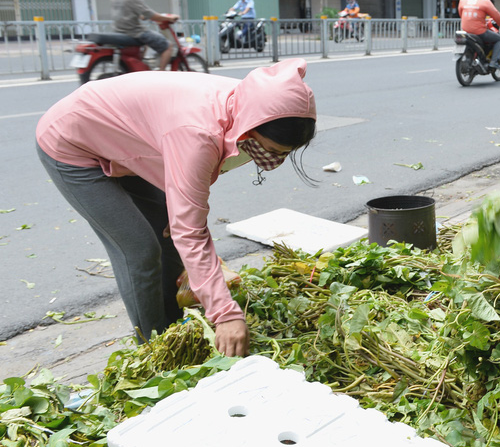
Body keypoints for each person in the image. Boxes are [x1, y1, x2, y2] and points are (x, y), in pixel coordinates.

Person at [35, 59, 317, 358]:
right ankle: (155, 351)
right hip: (72, 143)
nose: (276, 160)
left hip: (133, 142)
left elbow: (192, 180)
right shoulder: (199, 132)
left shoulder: (254, 101)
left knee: (167, 238)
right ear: (249, 130)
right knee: (140, 250)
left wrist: (179, 210)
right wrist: (226, 314)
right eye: (273, 151)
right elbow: (191, 229)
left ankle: (171, 323)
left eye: (287, 154)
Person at [111, 0, 180, 71]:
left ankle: (145, 65)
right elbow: (150, 14)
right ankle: (162, 73)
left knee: (148, 42)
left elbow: (132, 12)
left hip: (120, 31)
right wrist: (169, 18)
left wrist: (144, 17)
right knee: (168, 46)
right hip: (134, 32)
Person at [458, 0, 500, 69]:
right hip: (479, 32)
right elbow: (496, 15)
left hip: (465, 31)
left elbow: (461, 14)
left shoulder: (462, 0)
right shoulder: (485, 1)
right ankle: (493, 63)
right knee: (498, 39)